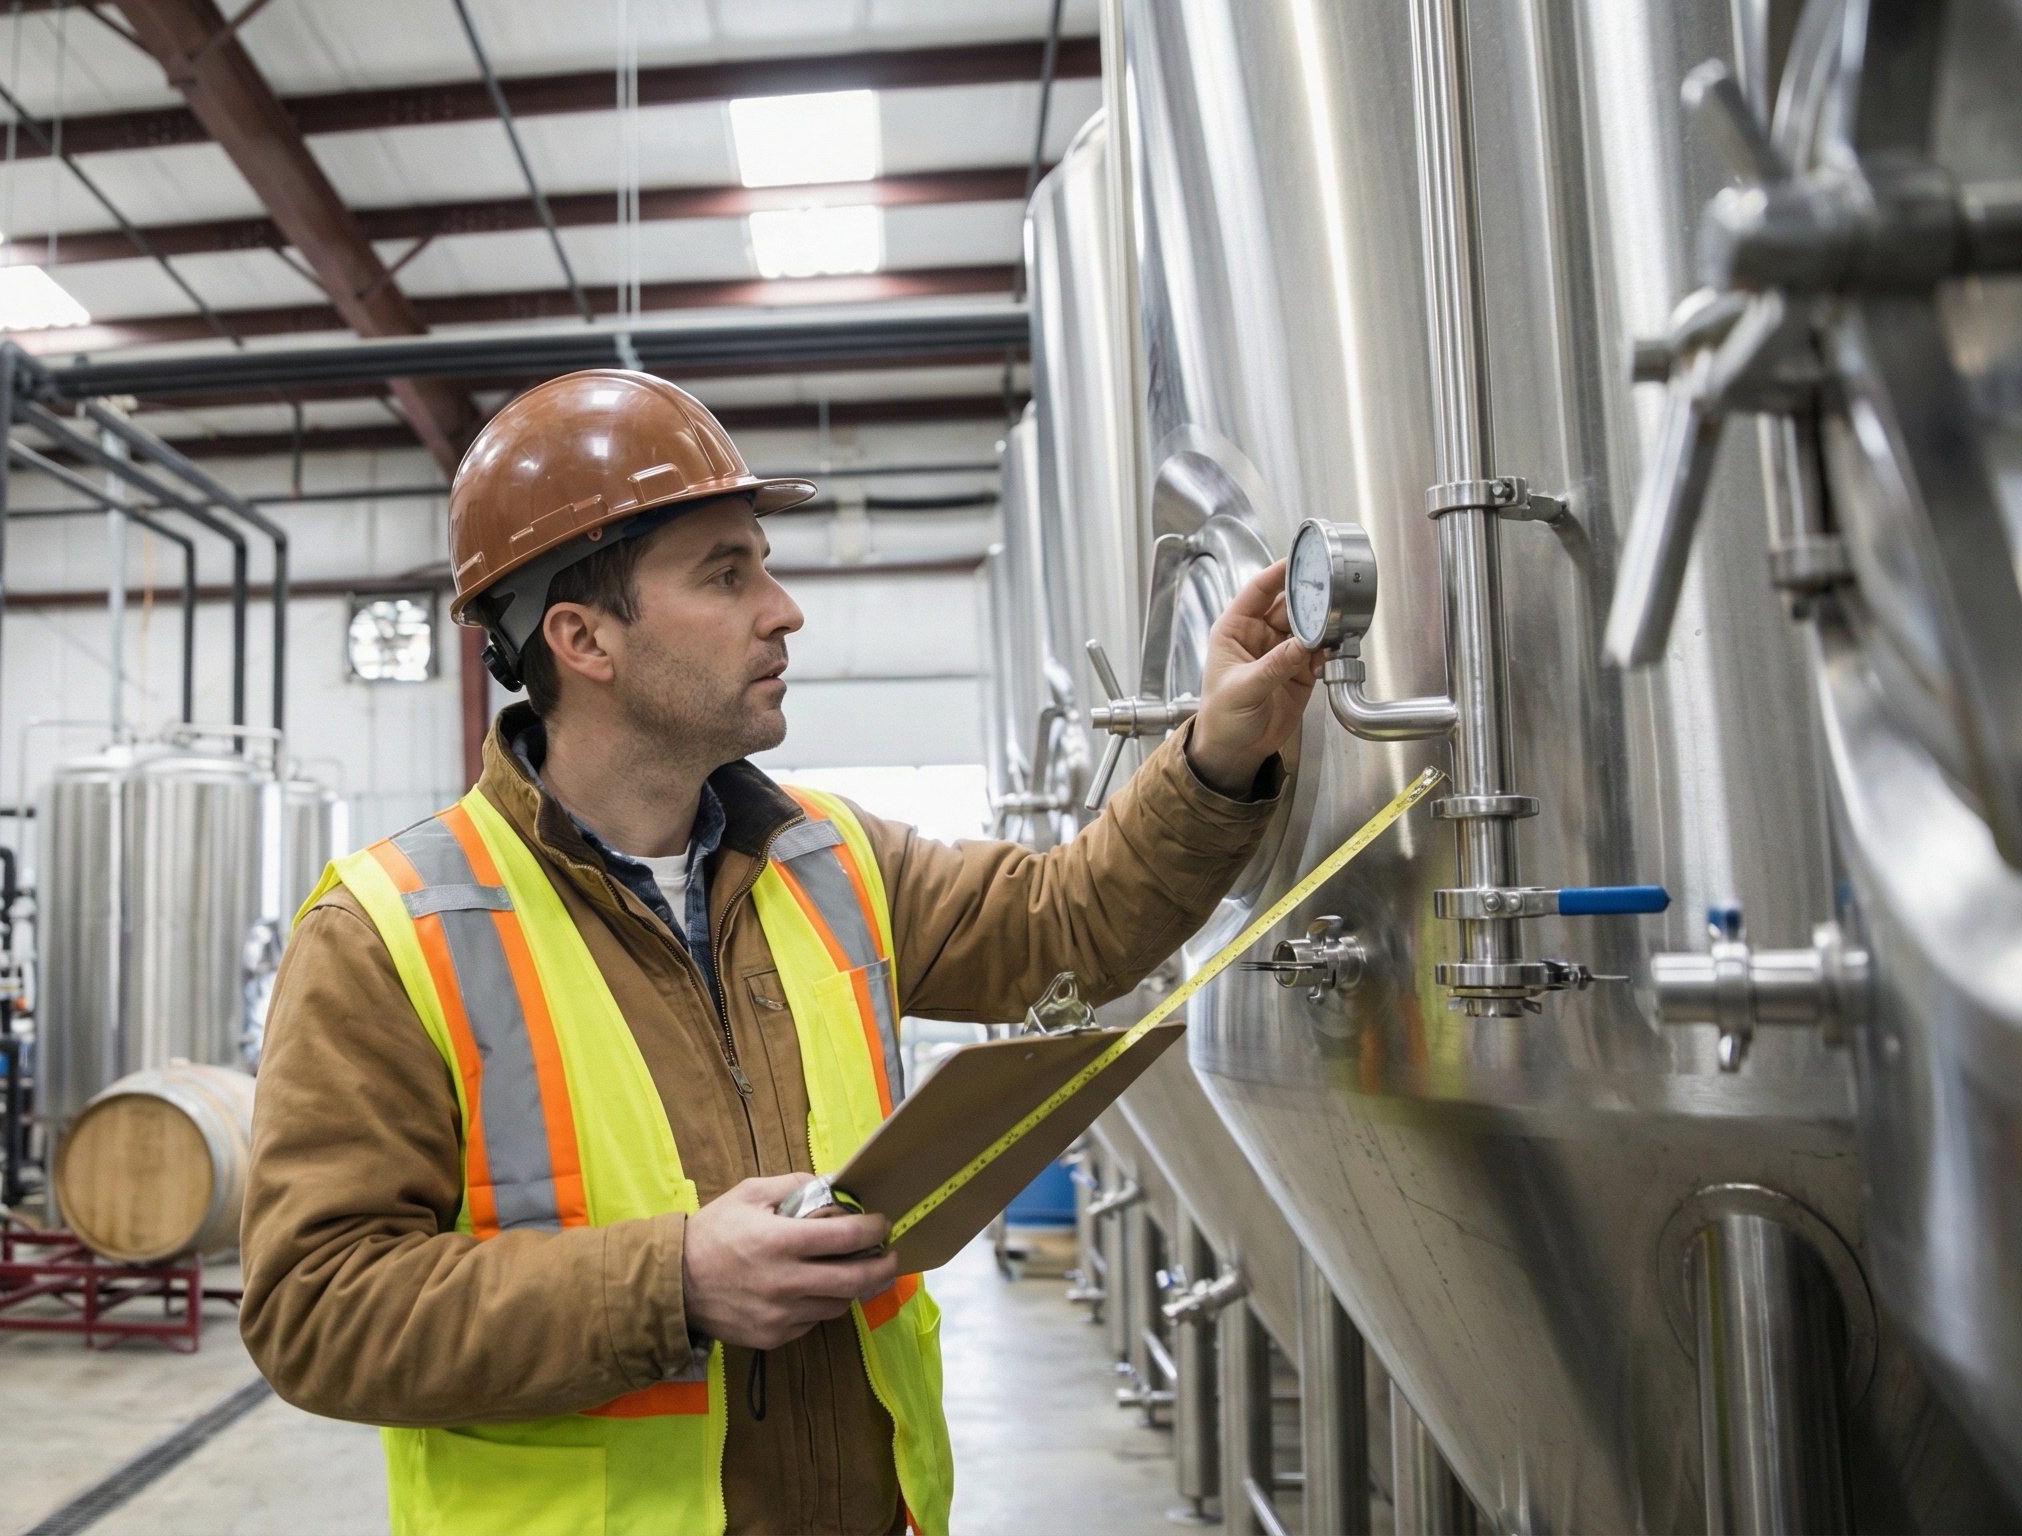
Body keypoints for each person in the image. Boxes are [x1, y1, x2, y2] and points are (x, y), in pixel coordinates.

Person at [240, 370, 1322, 1536]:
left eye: (761, 562)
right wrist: (677, 1281)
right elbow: (316, 1309)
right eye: (726, 573)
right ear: (582, 637)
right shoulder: (389, 931)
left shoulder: (827, 856)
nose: (783, 608)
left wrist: (1215, 753)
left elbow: (1069, 923)